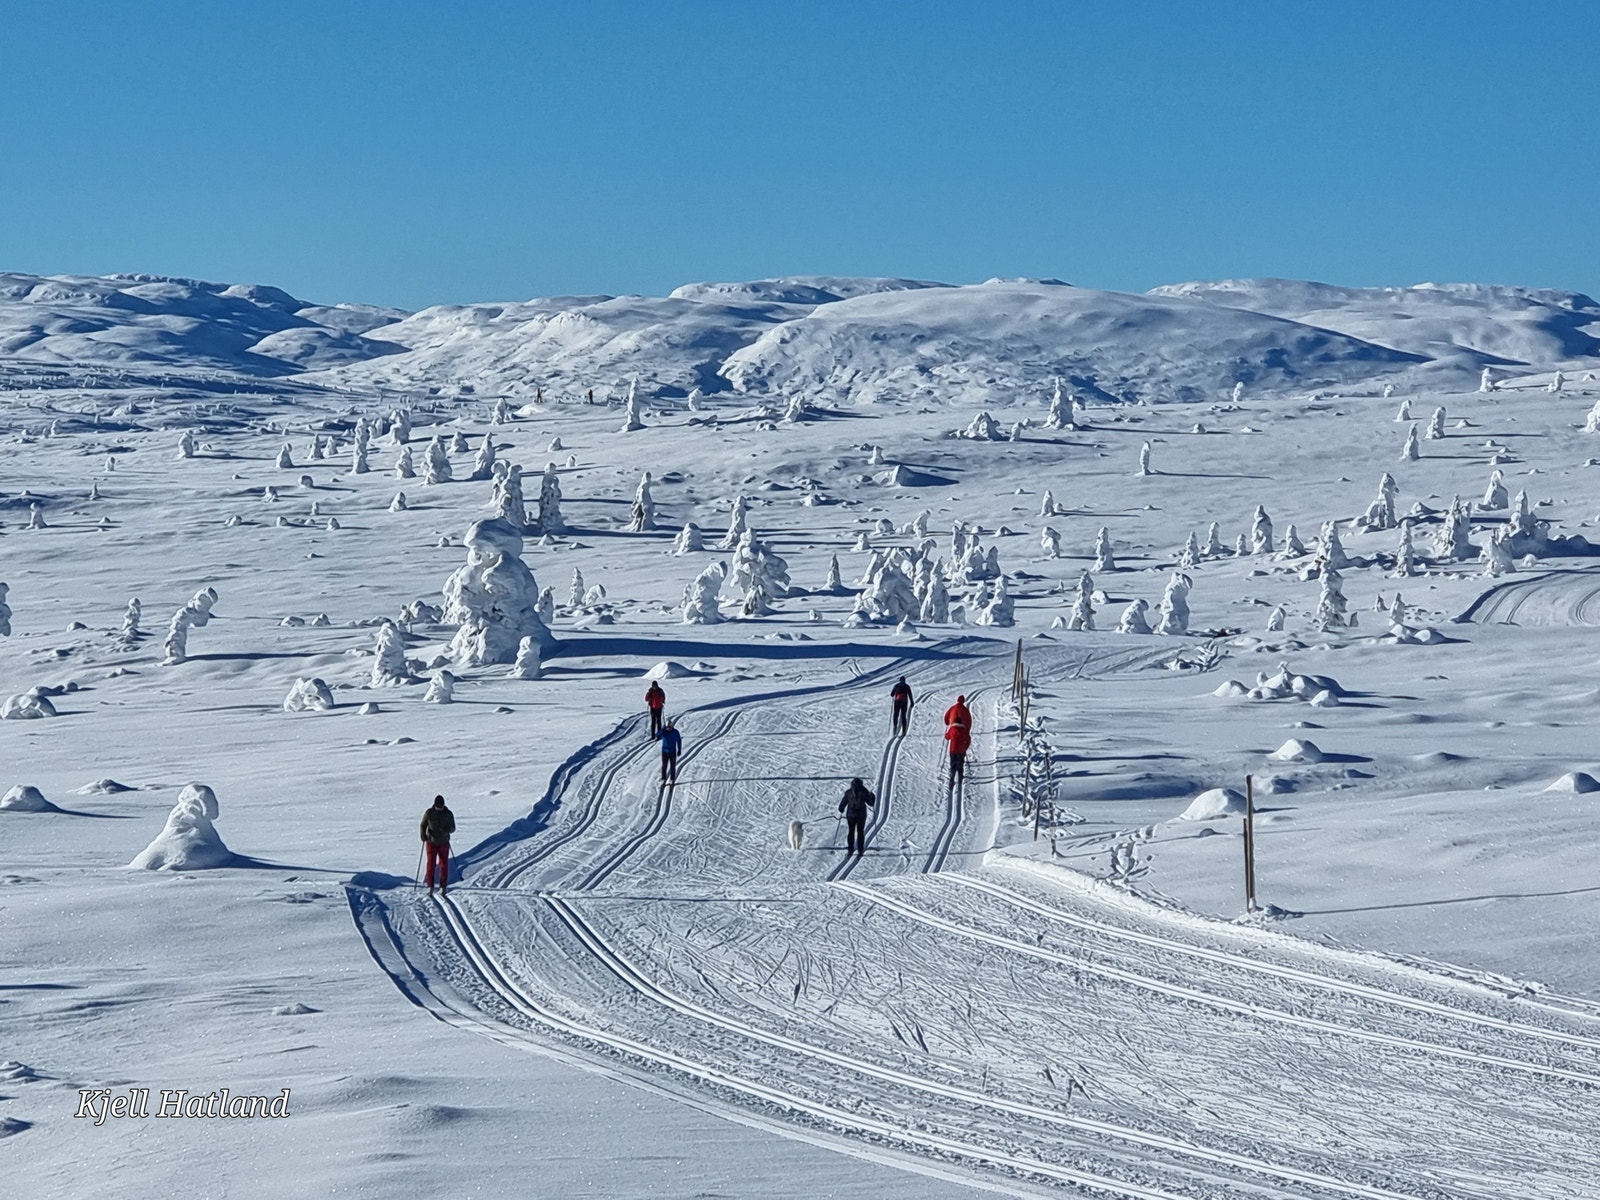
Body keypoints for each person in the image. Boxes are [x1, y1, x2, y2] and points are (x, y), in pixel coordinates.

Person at [419, 795, 455, 895]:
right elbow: (423, 824)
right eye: (438, 806)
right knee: (431, 864)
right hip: (431, 841)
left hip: (444, 842)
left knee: (444, 864)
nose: (440, 808)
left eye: (441, 806)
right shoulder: (429, 813)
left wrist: (447, 830)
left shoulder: (448, 814)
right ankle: (430, 885)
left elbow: (453, 827)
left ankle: (443, 886)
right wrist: (423, 835)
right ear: (435, 805)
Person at [838, 776, 876, 856]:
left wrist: (841, 809)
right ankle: (860, 849)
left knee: (851, 831)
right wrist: (872, 796)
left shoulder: (848, 792)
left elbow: (843, 803)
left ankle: (850, 848)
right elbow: (871, 803)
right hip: (861, 815)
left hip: (850, 815)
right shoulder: (863, 791)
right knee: (860, 832)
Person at [945, 716, 972, 787]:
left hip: (953, 750)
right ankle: (960, 777)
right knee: (960, 763)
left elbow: (947, 737)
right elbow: (968, 739)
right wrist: (965, 747)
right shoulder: (964, 730)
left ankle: (952, 778)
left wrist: (946, 734)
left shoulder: (952, 729)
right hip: (961, 750)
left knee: (953, 764)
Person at [659, 718, 683, 786]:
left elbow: (679, 741)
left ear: (672, 726)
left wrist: (679, 749)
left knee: (672, 766)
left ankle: (672, 779)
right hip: (664, 752)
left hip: (672, 751)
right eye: (667, 727)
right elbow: (657, 735)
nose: (668, 729)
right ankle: (663, 779)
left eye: (669, 727)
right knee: (664, 766)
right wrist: (663, 729)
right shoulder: (664, 732)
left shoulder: (675, 732)